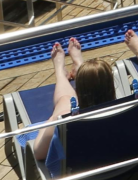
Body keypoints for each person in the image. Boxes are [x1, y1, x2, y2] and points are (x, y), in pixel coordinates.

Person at [30, 39, 121, 170]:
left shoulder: (61, 121)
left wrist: (51, 121)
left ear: (78, 91)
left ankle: (61, 73)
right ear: (111, 86)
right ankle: (79, 66)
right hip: (121, 163)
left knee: (65, 99)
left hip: (78, 172)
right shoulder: (129, 109)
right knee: (68, 100)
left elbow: (38, 153)